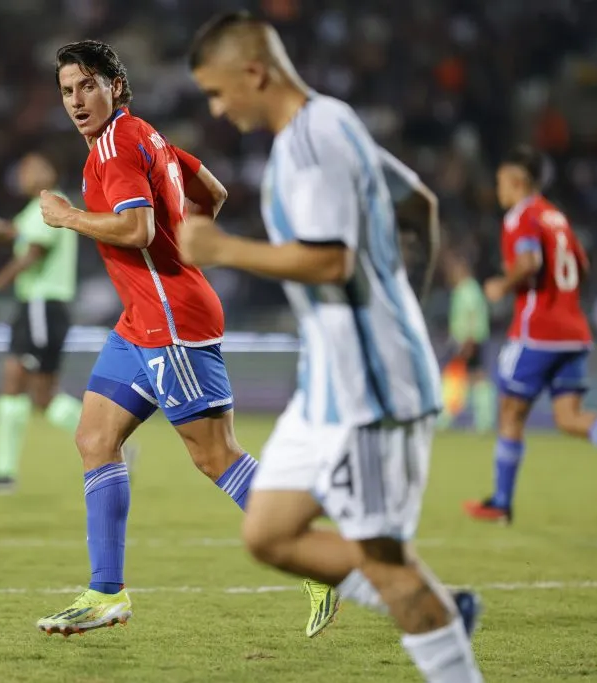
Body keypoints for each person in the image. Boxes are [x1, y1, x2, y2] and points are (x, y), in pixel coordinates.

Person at [181, 12, 483, 682]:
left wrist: (221, 248)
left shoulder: (309, 143)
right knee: (268, 533)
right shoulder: (333, 121)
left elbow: (331, 262)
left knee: (385, 560)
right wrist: (402, 304)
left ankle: (440, 636)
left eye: (217, 90)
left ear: (254, 72)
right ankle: (442, 603)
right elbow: (420, 205)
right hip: (326, 388)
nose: (216, 107)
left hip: (369, 397)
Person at [34, 39, 339, 638]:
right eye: (67, 90)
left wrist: (68, 216)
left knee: (214, 456)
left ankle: (319, 557)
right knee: (95, 438)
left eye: (86, 86)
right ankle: (105, 593)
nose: (76, 100)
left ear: (114, 86)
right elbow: (214, 194)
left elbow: (136, 227)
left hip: (171, 321)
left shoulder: (119, 144)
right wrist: (181, 247)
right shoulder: (146, 137)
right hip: (139, 321)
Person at [464, 146, 597, 524]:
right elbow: (581, 265)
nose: (497, 189)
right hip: (574, 332)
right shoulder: (556, 217)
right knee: (569, 417)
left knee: (510, 413)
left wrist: (503, 284)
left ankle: (501, 502)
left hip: (538, 332)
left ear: (516, 182)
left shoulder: (523, 216)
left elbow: (529, 262)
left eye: (500, 182)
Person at [0, 153, 85, 492]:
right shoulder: (32, 212)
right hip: (33, 308)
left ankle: (110, 442)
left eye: (36, 167)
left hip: (44, 306)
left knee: (43, 396)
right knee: (13, 384)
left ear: (51, 172)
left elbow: (32, 253)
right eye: (24, 168)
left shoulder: (54, 204)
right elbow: (8, 234)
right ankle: (4, 473)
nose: (28, 173)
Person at [438, 249, 495, 433]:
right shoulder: (466, 289)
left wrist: (468, 342)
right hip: (465, 340)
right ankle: (481, 420)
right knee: (471, 377)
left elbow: (471, 316)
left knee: (465, 377)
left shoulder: (468, 289)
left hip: (469, 341)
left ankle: (449, 417)